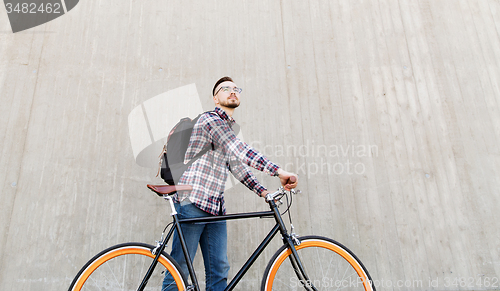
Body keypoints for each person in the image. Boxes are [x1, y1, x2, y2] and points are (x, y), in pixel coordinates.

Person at [162, 76, 298, 291]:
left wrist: (263, 192)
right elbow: (239, 150)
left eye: (236, 89)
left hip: (216, 208)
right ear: (216, 98)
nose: (232, 91)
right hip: (192, 202)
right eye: (225, 89)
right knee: (178, 272)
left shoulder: (228, 129)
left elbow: (237, 166)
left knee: (218, 271)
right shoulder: (210, 120)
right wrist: (278, 171)